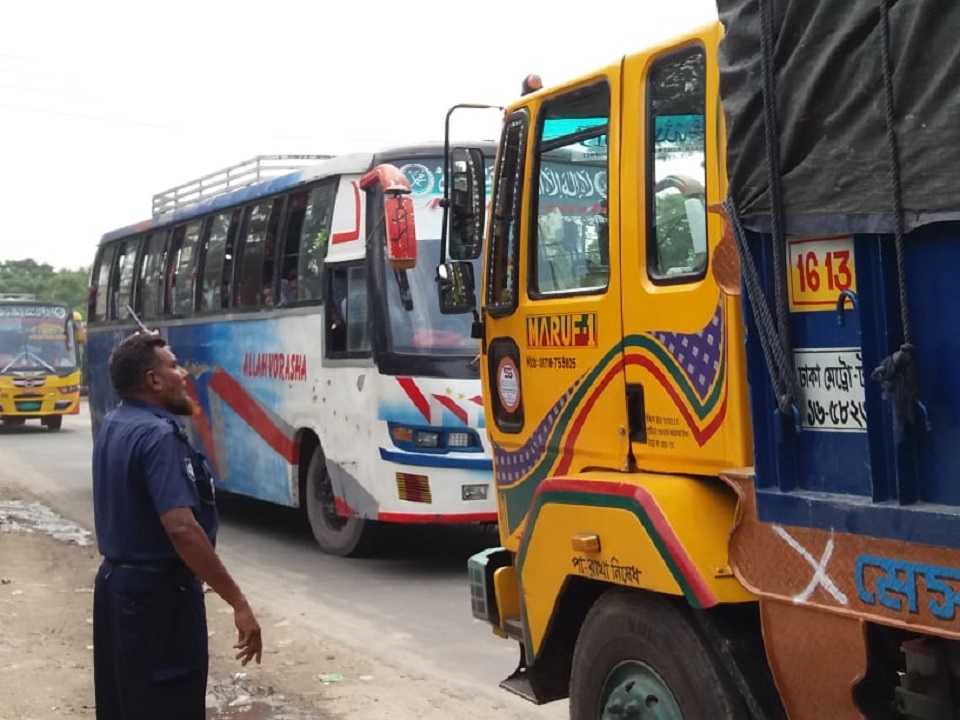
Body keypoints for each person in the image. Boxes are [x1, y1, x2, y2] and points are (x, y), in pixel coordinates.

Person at [91, 332, 262, 720]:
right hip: (158, 600)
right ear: (153, 380)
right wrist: (238, 602)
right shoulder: (158, 436)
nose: (183, 373)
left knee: (126, 704)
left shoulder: (114, 425)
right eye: (173, 365)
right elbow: (181, 528)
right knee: (168, 704)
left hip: (116, 590)